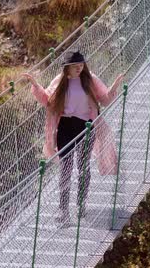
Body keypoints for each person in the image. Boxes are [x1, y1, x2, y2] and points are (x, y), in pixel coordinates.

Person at [22, 51, 123, 226]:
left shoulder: (90, 79)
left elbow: (105, 99)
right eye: (76, 65)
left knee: (83, 167)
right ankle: (63, 210)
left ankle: (81, 203)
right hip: (65, 128)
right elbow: (47, 100)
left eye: (81, 65)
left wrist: (113, 87)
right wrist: (35, 85)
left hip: (86, 127)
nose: (80, 68)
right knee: (66, 168)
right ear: (67, 67)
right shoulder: (59, 81)